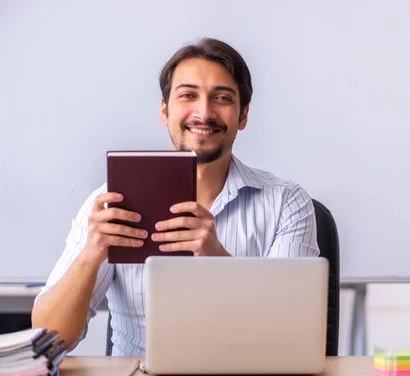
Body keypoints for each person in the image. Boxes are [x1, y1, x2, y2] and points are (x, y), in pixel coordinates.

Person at [31, 38, 319, 356]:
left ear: (243, 116)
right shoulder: (111, 201)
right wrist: (91, 254)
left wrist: (216, 261)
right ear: (165, 110)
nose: (204, 112)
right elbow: (48, 340)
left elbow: (295, 335)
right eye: (188, 96)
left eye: (222, 98)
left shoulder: (287, 203)